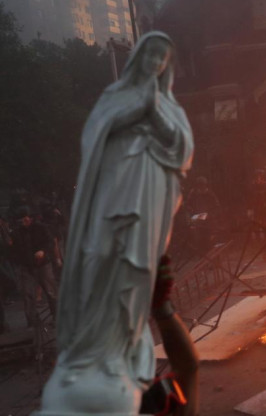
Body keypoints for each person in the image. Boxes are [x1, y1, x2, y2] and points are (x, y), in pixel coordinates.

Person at [39, 32, 194, 415]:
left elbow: (181, 149)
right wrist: (164, 309)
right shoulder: (115, 99)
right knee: (101, 256)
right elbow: (97, 137)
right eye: (150, 54)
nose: (154, 62)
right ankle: (98, 344)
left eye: (162, 57)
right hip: (113, 192)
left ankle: (117, 341)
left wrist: (153, 111)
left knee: (135, 265)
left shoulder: (168, 106)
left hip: (148, 196)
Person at [10, 207, 59, 327]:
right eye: (20, 219)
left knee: (50, 291)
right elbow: (13, 250)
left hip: (42, 264)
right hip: (26, 266)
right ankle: (32, 322)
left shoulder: (40, 228)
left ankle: (57, 317)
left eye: (25, 218)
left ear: (30, 218)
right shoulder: (17, 232)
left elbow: (50, 242)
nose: (23, 221)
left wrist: (43, 251)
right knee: (28, 294)